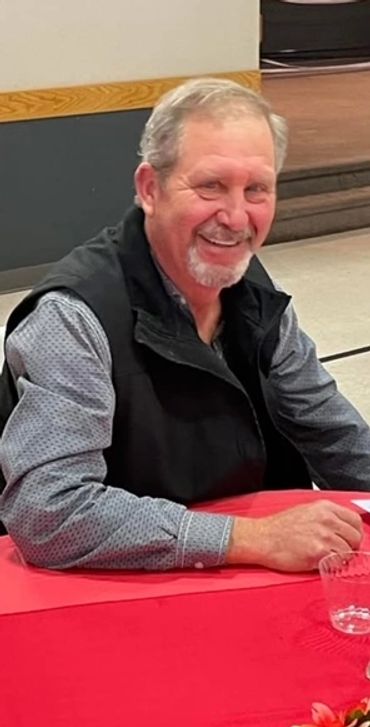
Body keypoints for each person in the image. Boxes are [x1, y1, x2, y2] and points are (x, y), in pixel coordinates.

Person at [0, 78, 367, 573]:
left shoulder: (252, 293)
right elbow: (50, 512)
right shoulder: (73, 316)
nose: (237, 217)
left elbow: (332, 435)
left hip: (221, 575)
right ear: (150, 188)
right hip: (108, 592)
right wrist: (251, 538)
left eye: (256, 189)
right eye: (211, 186)